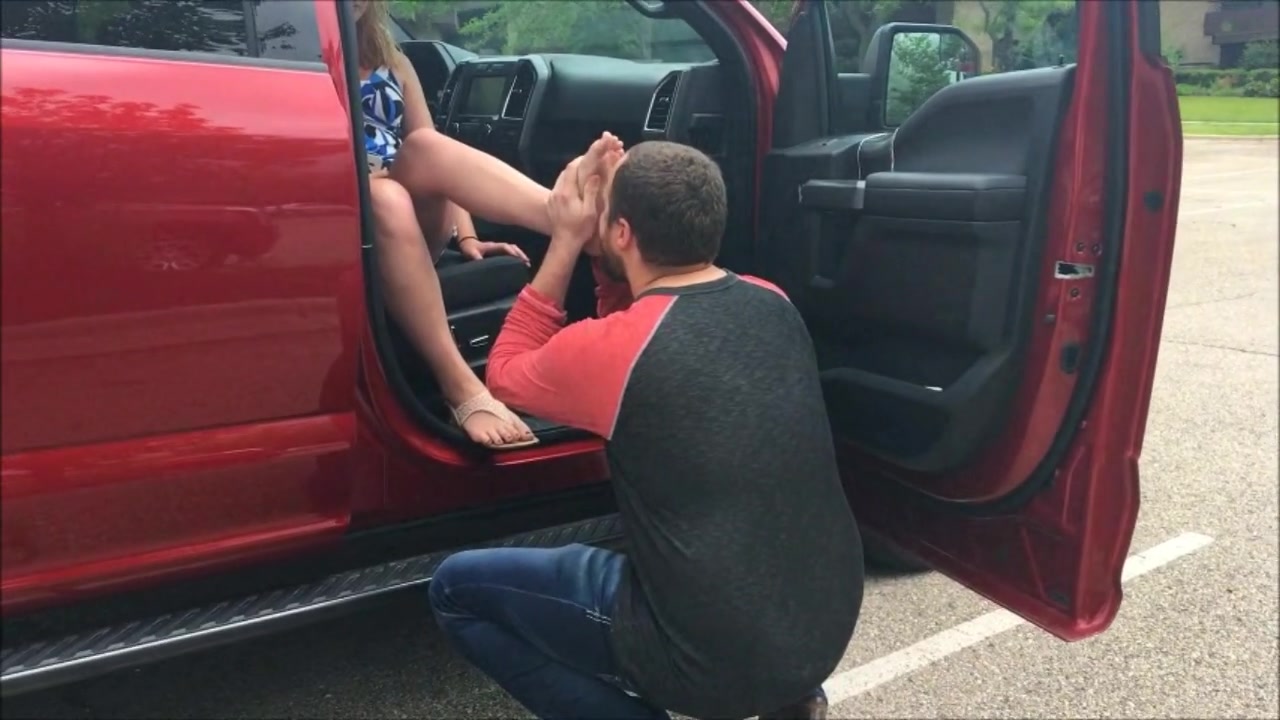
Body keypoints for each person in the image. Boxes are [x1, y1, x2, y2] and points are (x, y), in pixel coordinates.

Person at [427, 141, 865, 720]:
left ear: (623, 233)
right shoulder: (772, 300)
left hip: (707, 657)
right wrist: (606, 251)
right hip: (825, 628)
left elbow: (505, 373)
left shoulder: (618, 350)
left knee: (455, 591)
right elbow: (636, 324)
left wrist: (566, 238)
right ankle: (788, 701)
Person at [352, 0, 620, 449]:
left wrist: (469, 236)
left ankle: (563, 215)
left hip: (407, 220)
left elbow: (433, 154)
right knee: (383, 195)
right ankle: (459, 385)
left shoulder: (392, 62)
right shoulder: (301, 63)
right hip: (348, 222)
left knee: (423, 145)